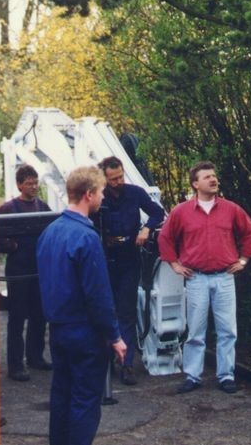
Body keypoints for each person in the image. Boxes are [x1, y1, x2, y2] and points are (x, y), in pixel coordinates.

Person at [37, 165, 127, 445]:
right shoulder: (87, 238)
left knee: (61, 396)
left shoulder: (49, 232)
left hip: (58, 329)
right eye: (101, 192)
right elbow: (98, 295)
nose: (103, 198)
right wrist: (115, 336)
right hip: (85, 333)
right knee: (85, 402)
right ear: (89, 194)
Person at [158, 160, 251, 395]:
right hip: (196, 279)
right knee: (195, 331)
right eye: (207, 177)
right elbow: (165, 237)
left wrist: (244, 260)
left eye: (214, 176)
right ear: (195, 184)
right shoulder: (181, 211)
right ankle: (193, 376)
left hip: (224, 277)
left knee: (227, 330)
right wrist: (174, 263)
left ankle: (226, 376)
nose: (213, 180)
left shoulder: (231, 209)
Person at [96, 155, 166, 386]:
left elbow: (157, 212)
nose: (117, 182)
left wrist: (146, 228)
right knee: (106, 310)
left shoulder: (135, 193)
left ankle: (126, 364)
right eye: (112, 179)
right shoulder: (98, 196)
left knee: (127, 311)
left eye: (120, 177)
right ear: (104, 179)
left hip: (129, 258)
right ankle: (104, 361)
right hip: (105, 260)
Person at [0, 164, 52, 381]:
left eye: (35, 182)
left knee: (39, 314)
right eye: (29, 183)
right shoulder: (8, 208)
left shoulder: (43, 207)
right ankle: (15, 365)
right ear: (19, 185)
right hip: (18, 269)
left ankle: (35, 357)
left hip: (38, 269)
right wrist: (9, 246)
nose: (33, 187)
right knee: (17, 317)